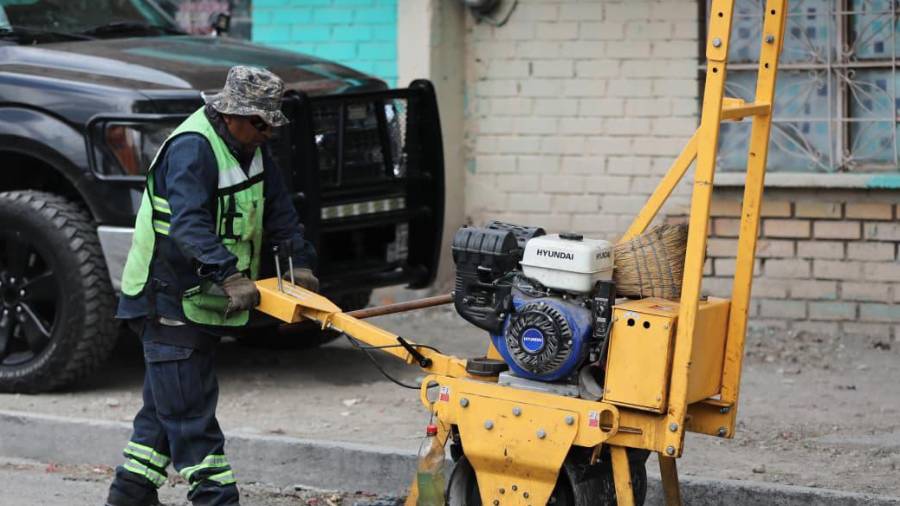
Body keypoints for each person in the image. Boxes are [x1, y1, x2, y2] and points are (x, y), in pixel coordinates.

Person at [106, 66, 318, 506]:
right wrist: (229, 275)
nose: (267, 133)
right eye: (260, 123)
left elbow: (280, 211)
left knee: (163, 414)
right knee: (190, 417)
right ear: (232, 114)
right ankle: (216, 498)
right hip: (165, 297)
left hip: (198, 299)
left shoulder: (252, 148)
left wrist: (298, 266)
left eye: (271, 125)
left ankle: (130, 495)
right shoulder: (193, 148)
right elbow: (189, 225)